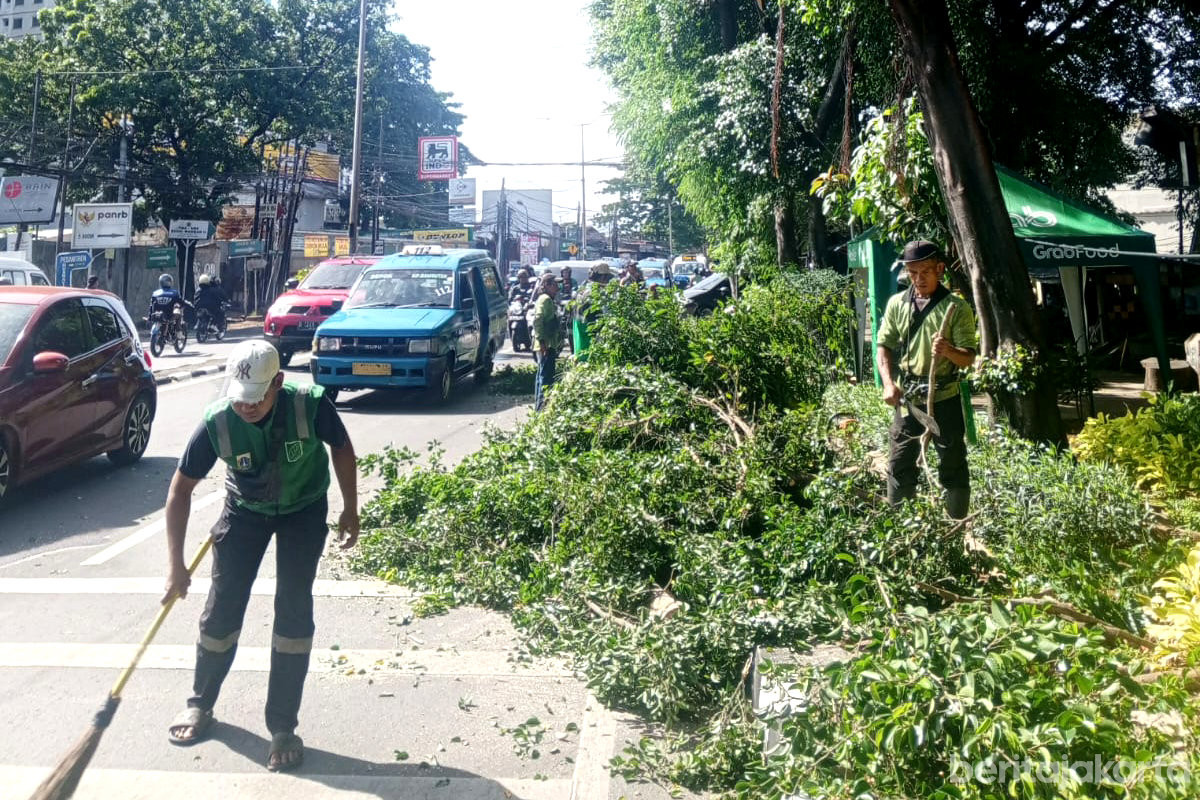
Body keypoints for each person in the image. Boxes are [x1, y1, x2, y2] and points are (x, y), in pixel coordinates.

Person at [160, 340, 359, 772]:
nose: (247, 406)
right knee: (222, 609)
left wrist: (350, 509)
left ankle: (283, 727)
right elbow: (180, 490)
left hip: (303, 509)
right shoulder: (218, 421)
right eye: (241, 398)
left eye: (257, 397)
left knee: (293, 611)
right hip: (245, 511)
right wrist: (176, 566)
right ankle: (200, 703)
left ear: (278, 383)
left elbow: (343, 449)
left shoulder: (309, 404)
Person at [876, 241, 978, 519]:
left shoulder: (956, 307)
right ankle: (902, 529)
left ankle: (955, 529)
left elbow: (968, 358)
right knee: (899, 463)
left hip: (945, 398)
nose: (918, 279)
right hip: (909, 400)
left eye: (925, 272)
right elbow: (883, 346)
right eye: (912, 273)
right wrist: (888, 383)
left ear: (940, 269)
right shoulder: (897, 304)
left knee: (953, 466)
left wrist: (948, 350)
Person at [571, 261, 615, 359]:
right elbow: (596, 322)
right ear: (602, 277)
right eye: (607, 278)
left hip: (580, 338)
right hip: (590, 341)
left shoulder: (581, 290)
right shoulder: (595, 293)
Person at [531, 272, 561, 411]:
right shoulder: (545, 299)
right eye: (555, 285)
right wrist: (542, 342)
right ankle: (541, 410)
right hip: (546, 345)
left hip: (547, 344)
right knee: (546, 379)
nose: (557, 288)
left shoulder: (546, 299)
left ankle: (540, 409)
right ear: (547, 285)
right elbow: (538, 320)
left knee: (542, 377)